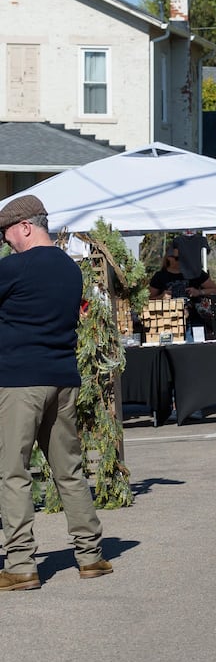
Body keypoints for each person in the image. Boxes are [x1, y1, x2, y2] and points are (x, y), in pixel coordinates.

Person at [0, 195, 111, 590]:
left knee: (13, 473)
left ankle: (20, 565)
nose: (5, 240)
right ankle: (92, 556)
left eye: (6, 232)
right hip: (63, 378)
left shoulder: (13, 268)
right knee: (70, 470)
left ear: (26, 226)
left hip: (18, 381)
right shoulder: (70, 268)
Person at [148, 243, 216, 301]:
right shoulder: (159, 276)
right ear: (168, 257)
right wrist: (161, 297)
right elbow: (149, 300)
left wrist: (199, 292)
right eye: (177, 258)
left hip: (194, 316)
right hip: (167, 316)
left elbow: (215, 290)